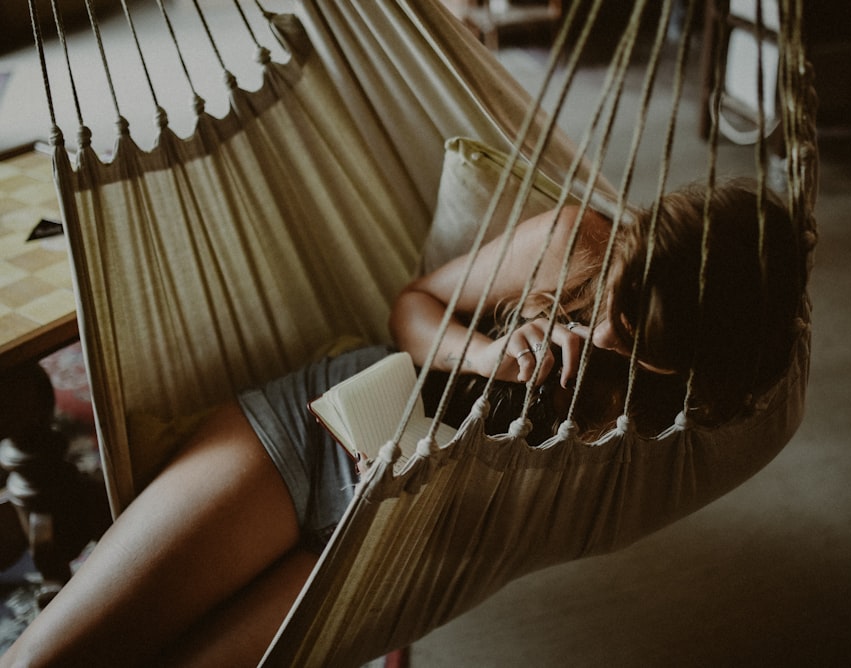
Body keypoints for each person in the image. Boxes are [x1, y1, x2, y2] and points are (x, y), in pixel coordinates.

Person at [0, 179, 804, 667]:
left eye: (631, 346)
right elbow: (410, 307)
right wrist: (486, 357)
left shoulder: (678, 424)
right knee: (48, 659)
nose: (599, 338)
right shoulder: (574, 241)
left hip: (389, 541)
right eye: (611, 308)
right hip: (324, 427)